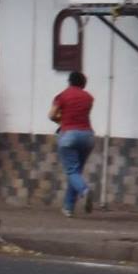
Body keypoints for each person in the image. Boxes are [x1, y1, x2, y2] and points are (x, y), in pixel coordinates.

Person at [50, 71, 97, 217]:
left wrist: (60, 121)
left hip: (69, 135)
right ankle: (68, 207)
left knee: (72, 172)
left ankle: (84, 191)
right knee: (76, 173)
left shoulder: (62, 96)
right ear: (83, 83)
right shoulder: (89, 98)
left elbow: (51, 114)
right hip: (87, 136)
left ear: (69, 81)